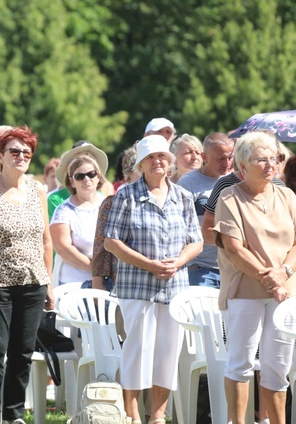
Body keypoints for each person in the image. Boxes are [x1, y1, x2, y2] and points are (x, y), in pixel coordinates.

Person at [104, 135, 202, 424]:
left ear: (170, 163)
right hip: (137, 286)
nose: (158, 161)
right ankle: (132, 414)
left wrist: (179, 261)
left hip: (174, 287)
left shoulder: (183, 196)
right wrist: (148, 264)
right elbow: (111, 241)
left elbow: (195, 242)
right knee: (138, 351)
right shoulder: (126, 194)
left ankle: (157, 415)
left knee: (168, 354)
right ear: (141, 164)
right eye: (151, 158)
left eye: (162, 156)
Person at [0, 126, 54, 424]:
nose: (21, 156)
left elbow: (46, 239)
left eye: (26, 153)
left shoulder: (37, 190)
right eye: (14, 151)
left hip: (33, 283)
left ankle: (14, 414)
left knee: (23, 353)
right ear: (0, 156)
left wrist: (49, 284)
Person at [213, 131, 296, 424]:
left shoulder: (287, 195)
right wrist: (269, 279)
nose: (270, 164)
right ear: (242, 166)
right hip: (245, 293)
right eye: (261, 159)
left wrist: (283, 272)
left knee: (278, 366)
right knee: (241, 364)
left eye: (274, 158)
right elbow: (235, 250)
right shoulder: (230, 197)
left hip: (285, 295)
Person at [177, 132, 234, 287]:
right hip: (201, 268)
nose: (227, 163)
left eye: (230, 157)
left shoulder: (236, 181)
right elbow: (179, 226)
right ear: (205, 157)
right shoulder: (187, 184)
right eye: (220, 158)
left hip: (232, 268)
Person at [50, 153, 108, 286]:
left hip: (110, 281)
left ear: (98, 176)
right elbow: (63, 248)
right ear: (72, 182)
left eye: (91, 174)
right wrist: (97, 270)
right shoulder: (63, 210)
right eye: (80, 176)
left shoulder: (108, 205)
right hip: (76, 286)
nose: (86, 179)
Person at [92, 145, 139, 291]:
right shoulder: (111, 204)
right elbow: (100, 250)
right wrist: (97, 287)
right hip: (122, 285)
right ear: (128, 174)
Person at [49, 141, 110, 219]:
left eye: (91, 173)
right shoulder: (56, 200)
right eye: (80, 176)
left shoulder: (105, 202)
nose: (85, 161)